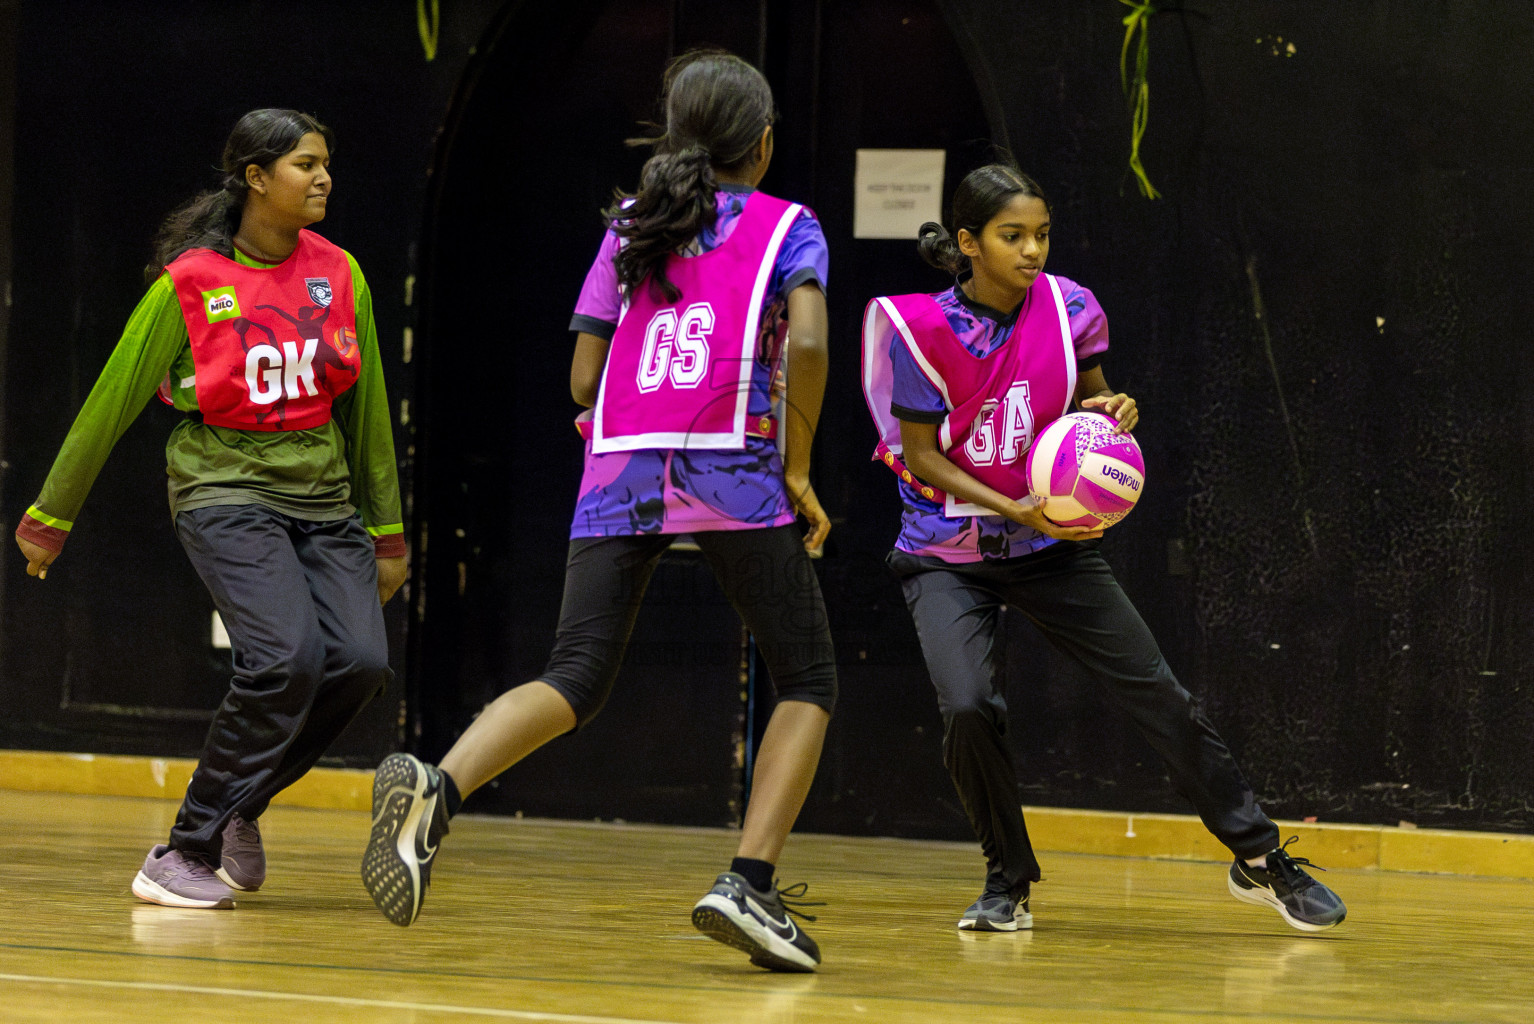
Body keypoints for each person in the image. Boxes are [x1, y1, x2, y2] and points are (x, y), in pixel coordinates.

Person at [362, 50, 837, 973]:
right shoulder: (789, 225)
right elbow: (811, 337)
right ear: (764, 144)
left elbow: (583, 375)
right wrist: (801, 466)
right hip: (729, 463)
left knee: (573, 674)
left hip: (618, 463)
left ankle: (438, 787)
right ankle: (748, 882)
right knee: (810, 676)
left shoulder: (632, 223)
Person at [860, 163, 1346, 934]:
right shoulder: (921, 332)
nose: (1031, 251)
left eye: (1041, 235)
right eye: (1011, 236)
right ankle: (1005, 882)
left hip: (1052, 545)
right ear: (968, 242)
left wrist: (1112, 408)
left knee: (1160, 695)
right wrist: (1010, 502)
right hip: (947, 549)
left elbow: (1092, 402)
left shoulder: (1070, 305)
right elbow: (921, 456)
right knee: (968, 710)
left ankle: (1257, 858)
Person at [14, 108, 406, 910]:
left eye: (326, 162)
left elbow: (368, 412)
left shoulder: (343, 273)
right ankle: (181, 851)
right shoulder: (191, 283)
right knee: (285, 659)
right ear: (256, 178)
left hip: (324, 495)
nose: (323, 177)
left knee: (361, 663)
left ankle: (240, 805)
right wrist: (49, 519)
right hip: (224, 489)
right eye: (304, 164)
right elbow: (111, 400)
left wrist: (387, 531)